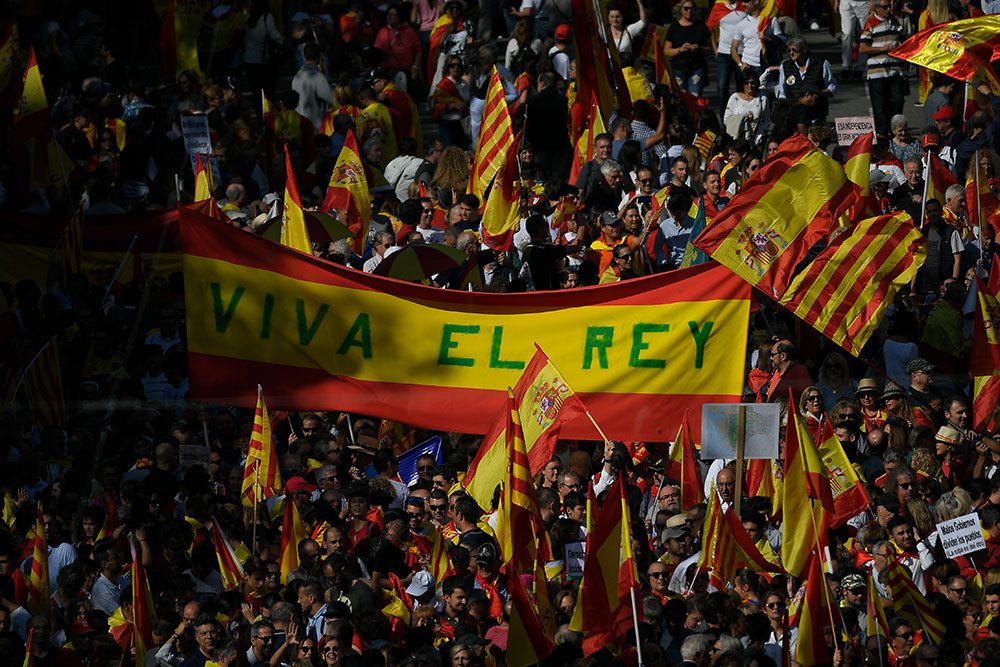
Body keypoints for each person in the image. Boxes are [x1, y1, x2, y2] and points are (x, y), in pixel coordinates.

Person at [859, 0, 906, 137]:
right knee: (880, 107)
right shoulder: (870, 25)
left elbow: (904, 42)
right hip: (877, 73)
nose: (888, 9)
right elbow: (862, 48)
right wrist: (884, 49)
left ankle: (895, 133)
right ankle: (882, 136)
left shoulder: (896, 23)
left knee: (898, 101)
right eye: (885, 7)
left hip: (896, 70)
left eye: (889, 6)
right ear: (876, 9)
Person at [777, 37, 837, 125]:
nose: (791, 53)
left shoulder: (821, 64)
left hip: (817, 115)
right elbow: (782, 92)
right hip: (794, 116)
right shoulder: (785, 67)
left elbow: (832, 85)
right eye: (789, 50)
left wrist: (820, 94)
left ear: (804, 49)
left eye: (794, 50)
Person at [663, 1, 712, 96]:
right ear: (681, 10)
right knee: (680, 98)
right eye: (686, 8)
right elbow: (666, 51)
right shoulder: (674, 27)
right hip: (678, 67)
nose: (689, 11)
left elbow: (710, 49)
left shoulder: (701, 27)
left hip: (697, 67)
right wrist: (680, 49)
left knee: (695, 97)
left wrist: (699, 49)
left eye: (692, 9)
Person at [724, 70, 771, 144]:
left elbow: (766, 120)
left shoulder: (762, 100)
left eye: (752, 83)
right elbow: (726, 119)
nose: (749, 85)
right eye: (746, 83)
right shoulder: (734, 98)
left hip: (755, 141)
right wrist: (744, 119)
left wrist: (760, 135)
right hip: (737, 141)